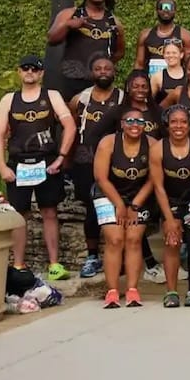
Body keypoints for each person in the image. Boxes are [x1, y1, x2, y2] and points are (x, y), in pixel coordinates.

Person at [0, 55, 77, 281]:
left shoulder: (51, 96)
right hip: (18, 162)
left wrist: (61, 156)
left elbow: (69, 124)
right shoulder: (9, 100)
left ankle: (54, 264)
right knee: (19, 215)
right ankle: (19, 265)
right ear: (19, 72)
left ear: (41, 74)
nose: (29, 72)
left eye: (34, 69)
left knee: (50, 211)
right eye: (25, 69)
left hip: (46, 161)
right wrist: (2, 165)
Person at [69, 55, 124, 278]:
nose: (103, 72)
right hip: (85, 160)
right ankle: (92, 257)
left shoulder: (122, 97)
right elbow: (70, 127)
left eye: (107, 68)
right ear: (92, 73)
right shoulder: (80, 99)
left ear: (114, 72)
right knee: (91, 210)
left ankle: (118, 256)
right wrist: (66, 159)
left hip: (114, 160)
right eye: (98, 68)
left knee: (118, 207)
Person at [93, 109, 152, 308]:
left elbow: (154, 179)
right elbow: (101, 177)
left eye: (139, 121)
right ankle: (112, 290)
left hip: (139, 194)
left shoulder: (152, 145)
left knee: (134, 240)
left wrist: (135, 205)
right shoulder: (108, 143)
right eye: (130, 121)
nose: (135, 125)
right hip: (108, 192)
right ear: (122, 124)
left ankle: (133, 290)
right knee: (115, 239)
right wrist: (119, 204)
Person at [149, 106, 190, 308]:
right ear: (167, 124)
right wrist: (169, 219)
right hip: (171, 202)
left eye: (183, 121)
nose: (178, 126)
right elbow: (158, 186)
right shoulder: (157, 149)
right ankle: (171, 291)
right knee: (172, 241)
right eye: (174, 121)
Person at [46, 0, 125, 100]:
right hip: (72, 78)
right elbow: (52, 39)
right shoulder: (70, 14)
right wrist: (68, 25)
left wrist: (104, 66)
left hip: (99, 80)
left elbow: (120, 52)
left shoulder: (114, 22)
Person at [135, 0, 190, 72]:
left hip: (175, 80)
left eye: (169, 8)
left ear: (175, 11)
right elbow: (139, 64)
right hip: (150, 80)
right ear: (157, 11)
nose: (166, 11)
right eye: (162, 7)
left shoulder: (185, 36)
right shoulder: (145, 35)